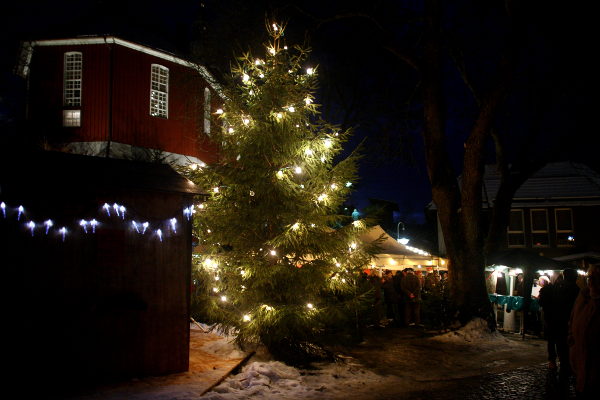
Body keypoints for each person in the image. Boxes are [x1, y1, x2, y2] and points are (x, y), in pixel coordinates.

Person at [569, 264, 600, 399]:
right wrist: (573, 348)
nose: (591, 281)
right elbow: (572, 322)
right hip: (581, 373)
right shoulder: (582, 298)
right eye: (589, 277)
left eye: (596, 278)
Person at [552, 268, 580, 382]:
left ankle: (564, 368)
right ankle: (567, 369)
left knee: (561, 347)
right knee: (568, 348)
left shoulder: (557, 287)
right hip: (569, 323)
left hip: (558, 322)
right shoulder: (576, 290)